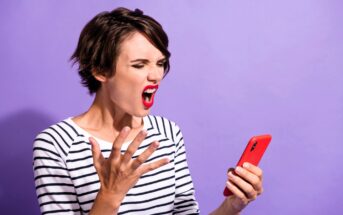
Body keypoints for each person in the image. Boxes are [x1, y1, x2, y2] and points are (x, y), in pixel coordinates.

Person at [33, 7, 264, 215]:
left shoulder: (167, 132)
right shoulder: (56, 144)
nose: (156, 76)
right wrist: (110, 195)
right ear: (100, 71)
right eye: (139, 64)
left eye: (160, 63)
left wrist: (232, 206)